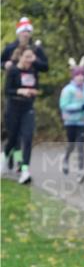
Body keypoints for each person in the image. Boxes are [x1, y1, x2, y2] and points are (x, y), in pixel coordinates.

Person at [3, 17, 48, 174]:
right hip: (13, 95)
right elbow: (2, 63)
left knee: (27, 135)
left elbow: (45, 67)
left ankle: (21, 166)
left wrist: (34, 61)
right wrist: (5, 65)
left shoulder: (36, 49)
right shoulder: (10, 48)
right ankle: (10, 157)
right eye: (23, 32)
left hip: (29, 99)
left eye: (28, 32)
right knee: (14, 134)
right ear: (18, 33)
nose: (26, 34)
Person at [2, 45, 41, 184]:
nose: (30, 60)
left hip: (27, 108)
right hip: (13, 108)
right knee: (13, 139)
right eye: (27, 57)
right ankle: (4, 157)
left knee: (28, 137)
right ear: (20, 57)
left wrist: (34, 92)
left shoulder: (33, 71)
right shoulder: (13, 71)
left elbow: (36, 87)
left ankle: (25, 170)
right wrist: (20, 91)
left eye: (31, 57)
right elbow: (7, 90)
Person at [59, 58, 84, 183]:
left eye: (82, 75)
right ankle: (65, 159)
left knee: (81, 146)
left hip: (81, 122)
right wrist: (79, 107)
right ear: (73, 76)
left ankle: (80, 171)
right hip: (70, 121)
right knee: (71, 144)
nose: (80, 77)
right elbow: (63, 106)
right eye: (78, 75)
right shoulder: (68, 90)